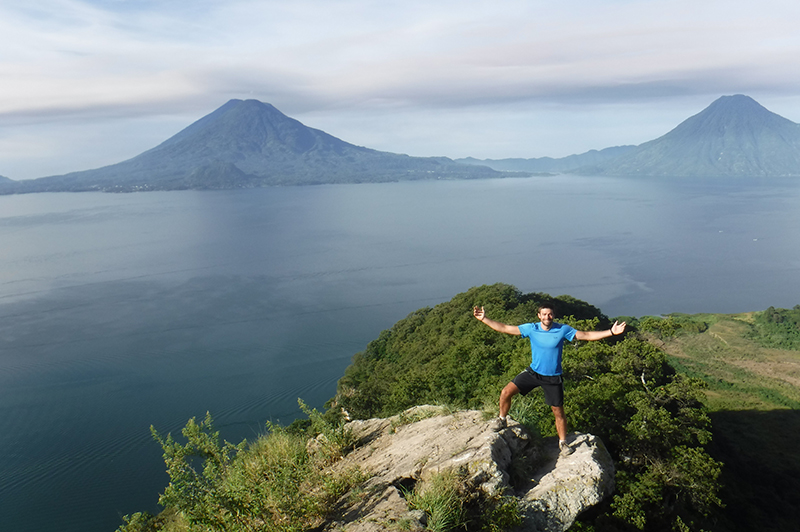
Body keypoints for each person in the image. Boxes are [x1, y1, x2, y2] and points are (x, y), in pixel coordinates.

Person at [473, 303, 626, 456]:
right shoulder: (531, 328)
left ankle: (563, 443)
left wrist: (611, 332)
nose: (547, 317)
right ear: (539, 316)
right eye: (544, 314)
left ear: (554, 315)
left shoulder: (562, 329)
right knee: (506, 392)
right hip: (534, 372)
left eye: (550, 314)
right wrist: (484, 319)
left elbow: (585, 335)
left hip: (553, 377)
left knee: (558, 411)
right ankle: (502, 419)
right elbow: (506, 328)